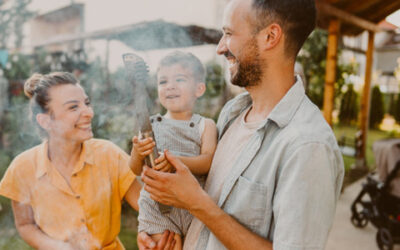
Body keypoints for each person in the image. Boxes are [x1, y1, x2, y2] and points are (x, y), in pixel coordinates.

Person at [138, 0, 344, 249]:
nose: (220, 48)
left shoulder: (308, 146)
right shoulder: (232, 114)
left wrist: (196, 202)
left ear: (270, 36)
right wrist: (168, 233)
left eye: (228, 34)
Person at [0, 72, 150, 250]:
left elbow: (147, 209)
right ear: (45, 121)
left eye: (86, 103)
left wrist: (147, 230)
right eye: (73, 107)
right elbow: (25, 224)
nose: (89, 113)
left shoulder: (109, 155)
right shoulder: (22, 168)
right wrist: (57, 246)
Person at [131, 51, 218, 250]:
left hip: (192, 205)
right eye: (163, 82)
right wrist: (137, 152)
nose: (170, 86)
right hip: (157, 207)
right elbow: (135, 169)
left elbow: (207, 162)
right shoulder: (149, 125)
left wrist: (177, 161)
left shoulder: (205, 125)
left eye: (180, 79)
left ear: (199, 89)